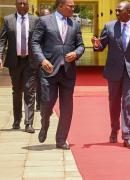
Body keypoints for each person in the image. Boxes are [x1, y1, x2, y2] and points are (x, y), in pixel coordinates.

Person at [91, 1, 130, 149]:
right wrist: (97, 45)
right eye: (116, 11)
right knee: (114, 102)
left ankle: (128, 135)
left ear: (129, 12)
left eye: (119, 11)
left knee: (128, 103)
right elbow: (101, 46)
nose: (116, 13)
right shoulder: (109, 27)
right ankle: (114, 128)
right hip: (114, 71)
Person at [31, 0, 85, 150]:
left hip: (68, 72)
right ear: (61, 6)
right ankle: (45, 123)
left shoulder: (75, 24)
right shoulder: (44, 21)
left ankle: (61, 139)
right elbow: (35, 43)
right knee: (47, 102)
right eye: (71, 6)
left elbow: (80, 45)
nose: (74, 8)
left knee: (67, 108)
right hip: (49, 70)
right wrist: (42, 60)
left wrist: (76, 53)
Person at [0, 0, 38, 133]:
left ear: (28, 5)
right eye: (20, 3)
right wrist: (0, 56)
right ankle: (17, 120)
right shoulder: (8, 19)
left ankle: (29, 123)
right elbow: (2, 40)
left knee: (29, 90)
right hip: (14, 61)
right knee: (17, 91)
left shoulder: (35, 20)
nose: (22, 6)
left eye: (25, 3)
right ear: (16, 5)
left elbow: (40, 40)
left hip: (30, 61)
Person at [35, 8, 51, 112]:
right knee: (39, 83)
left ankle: (46, 103)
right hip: (38, 59)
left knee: (47, 83)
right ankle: (39, 104)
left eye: (48, 15)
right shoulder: (35, 26)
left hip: (50, 59)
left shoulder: (52, 26)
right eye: (44, 15)